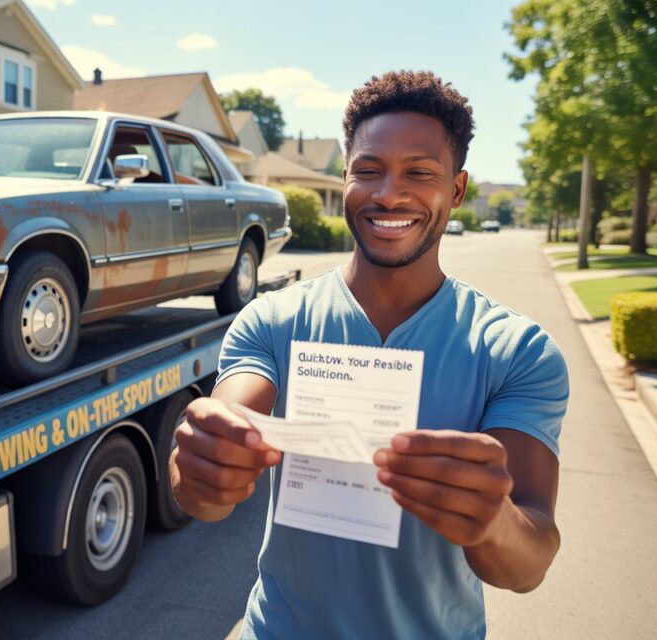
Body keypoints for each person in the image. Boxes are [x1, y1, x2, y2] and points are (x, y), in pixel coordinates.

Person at [170, 71, 569, 639]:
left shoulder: (516, 351)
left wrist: (495, 524)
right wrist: (200, 466)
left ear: (456, 191)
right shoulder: (273, 320)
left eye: (419, 173)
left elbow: (528, 565)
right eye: (369, 170)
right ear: (346, 176)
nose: (388, 194)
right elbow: (209, 480)